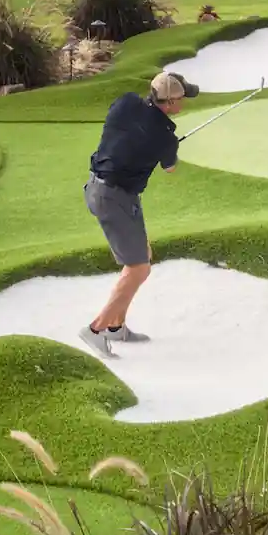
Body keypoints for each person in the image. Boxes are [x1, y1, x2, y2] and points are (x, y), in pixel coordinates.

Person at [78, 70, 198, 358]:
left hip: (100, 188)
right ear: (170, 102)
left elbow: (128, 130)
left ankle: (116, 327)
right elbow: (170, 168)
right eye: (181, 98)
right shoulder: (164, 136)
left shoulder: (126, 102)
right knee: (139, 268)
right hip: (114, 197)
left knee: (141, 256)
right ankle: (95, 329)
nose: (184, 102)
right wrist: (171, 147)